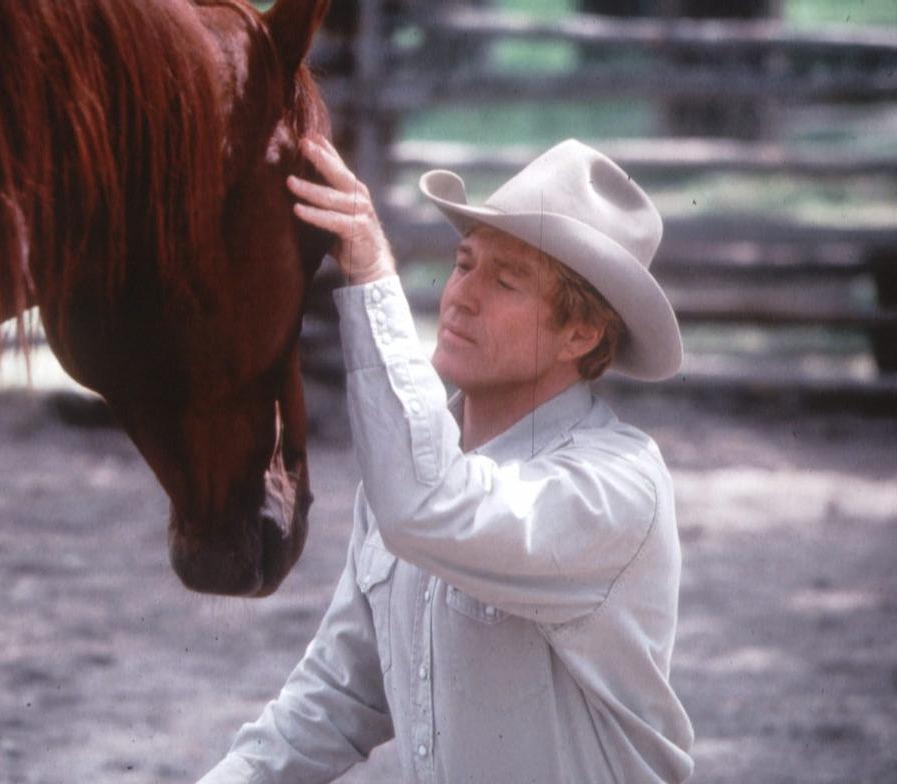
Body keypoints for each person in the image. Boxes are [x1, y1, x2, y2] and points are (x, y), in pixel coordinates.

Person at [197, 136, 695, 783]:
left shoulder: (616, 488)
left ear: (582, 333)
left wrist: (373, 272)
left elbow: (429, 504)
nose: (462, 295)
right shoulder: (413, 467)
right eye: (464, 264)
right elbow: (340, 692)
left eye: (507, 280)